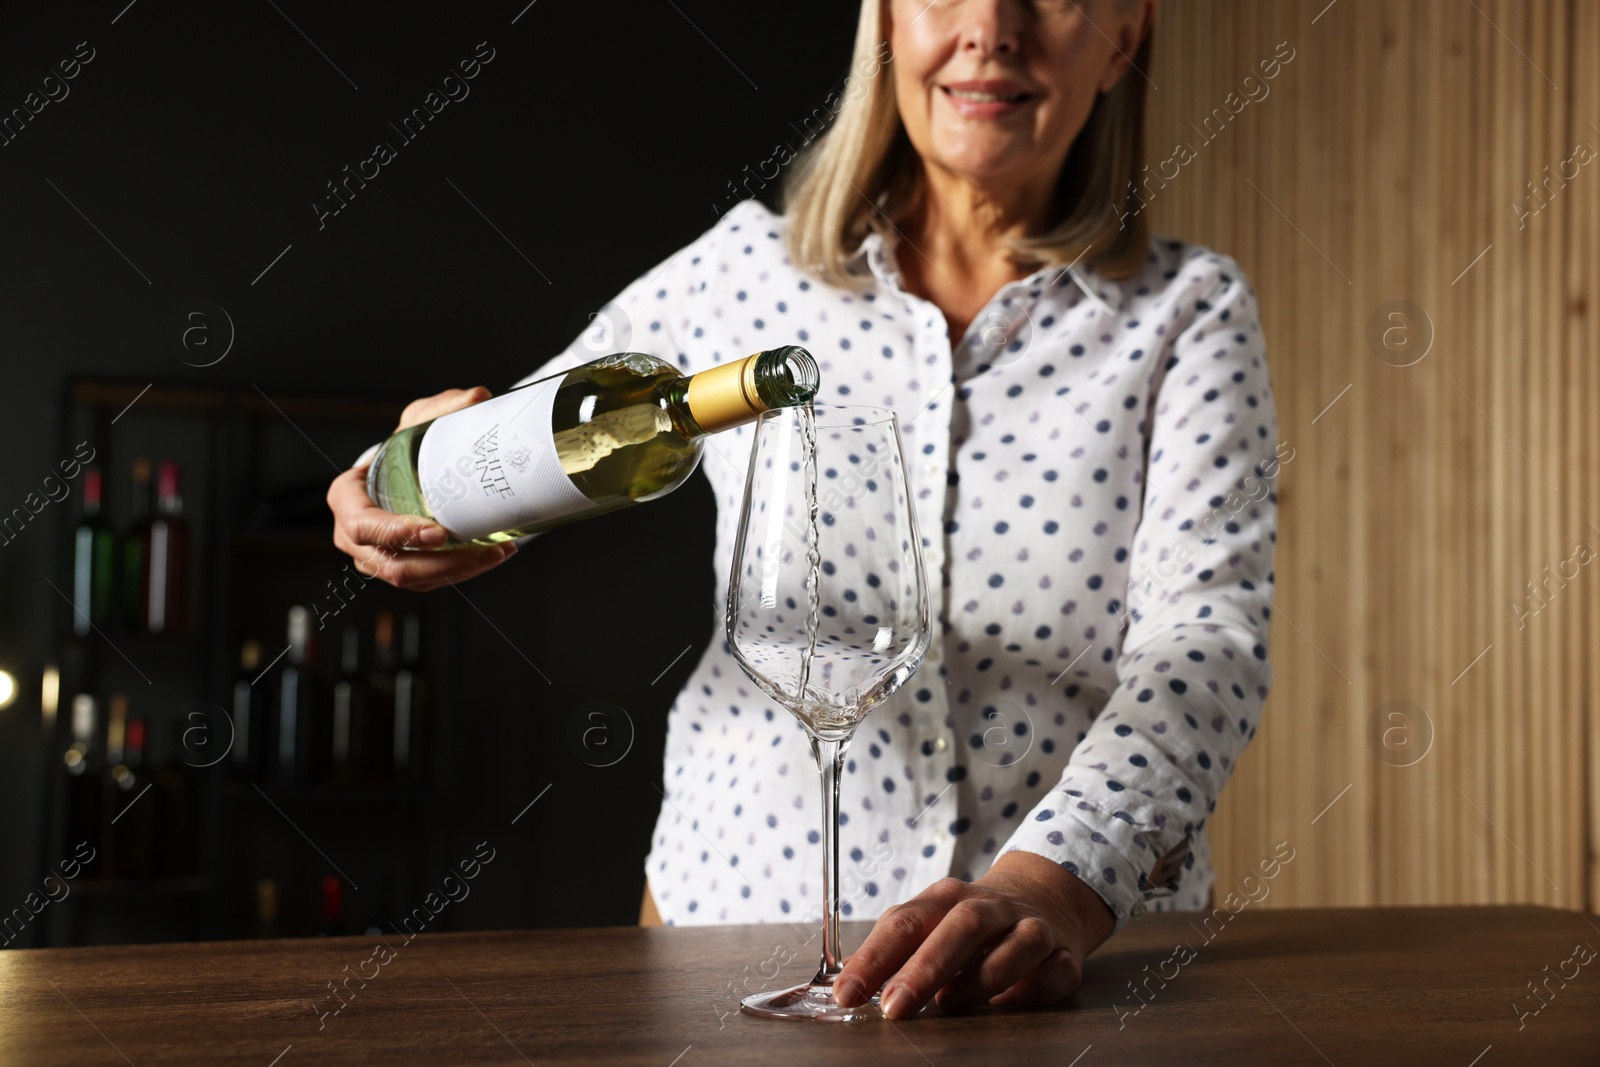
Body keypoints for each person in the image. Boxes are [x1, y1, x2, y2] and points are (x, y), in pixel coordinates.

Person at [327, 0, 1282, 1021]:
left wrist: (1052, 882)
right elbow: (514, 444)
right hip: (734, 942)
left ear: (1124, 35)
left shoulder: (1190, 312)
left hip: (1067, 974)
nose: (992, 28)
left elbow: (1205, 637)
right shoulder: (737, 274)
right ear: (883, 22)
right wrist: (401, 483)